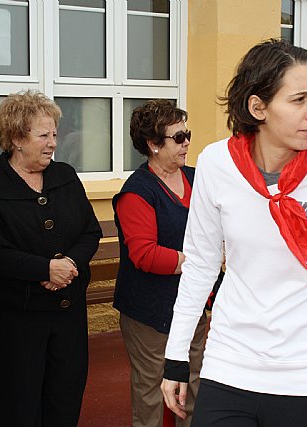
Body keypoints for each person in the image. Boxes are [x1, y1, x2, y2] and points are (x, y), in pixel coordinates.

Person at [161, 39, 307, 427]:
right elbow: (200, 265)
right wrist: (176, 356)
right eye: (299, 99)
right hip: (229, 365)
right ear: (258, 107)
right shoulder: (217, 163)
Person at [0, 90, 102, 427]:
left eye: (54, 133)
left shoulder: (65, 176)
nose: (53, 142)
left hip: (67, 318)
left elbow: (90, 231)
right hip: (15, 323)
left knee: (64, 402)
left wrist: (68, 266)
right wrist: (43, 269)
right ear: (15, 139)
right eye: (43, 135)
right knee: (19, 407)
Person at [113, 99, 207, 427]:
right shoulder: (137, 192)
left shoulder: (198, 178)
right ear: (153, 145)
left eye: (188, 134)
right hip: (149, 312)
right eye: (178, 137)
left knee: (194, 384)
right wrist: (197, 261)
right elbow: (145, 254)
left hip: (191, 302)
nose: (187, 143)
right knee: (151, 390)